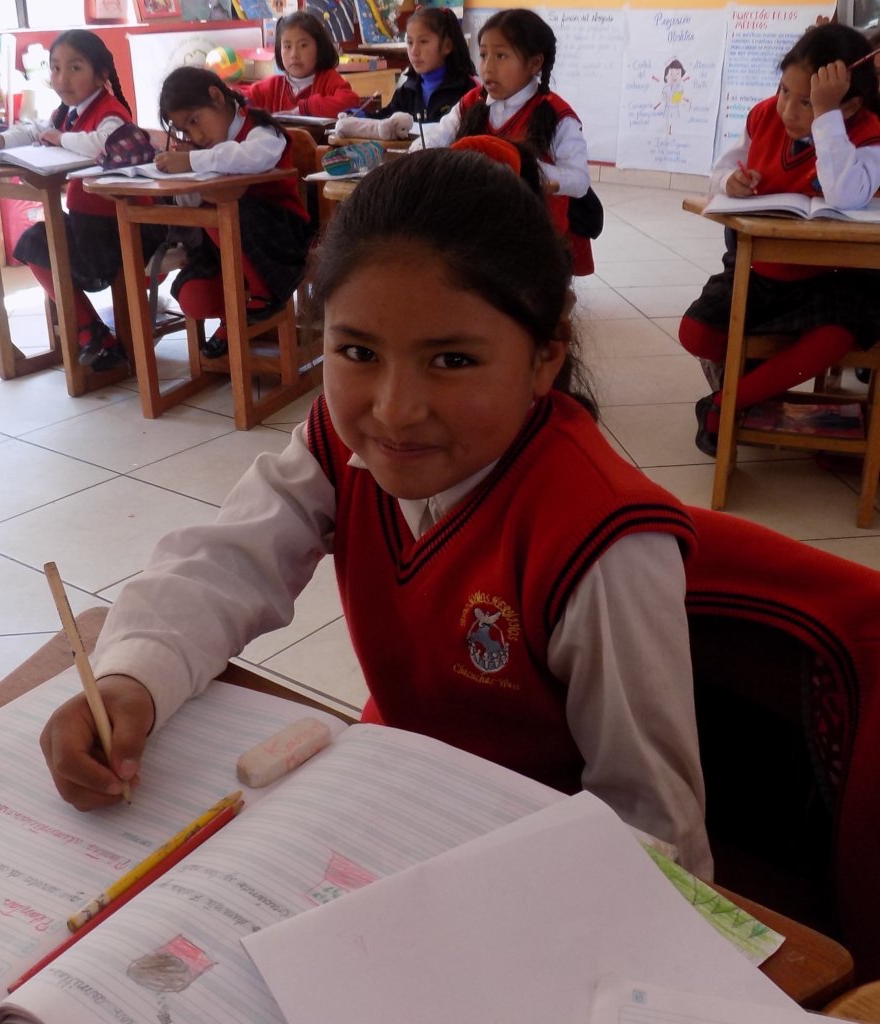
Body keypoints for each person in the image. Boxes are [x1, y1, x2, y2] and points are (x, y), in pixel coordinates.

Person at [38, 147, 712, 879]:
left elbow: (656, 834)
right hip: (391, 800)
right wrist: (132, 680)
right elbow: (223, 567)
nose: (394, 411)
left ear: (545, 357)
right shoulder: (336, 447)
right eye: (358, 351)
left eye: (451, 361)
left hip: (529, 869)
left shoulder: (602, 544)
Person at [679, 23, 880, 456]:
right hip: (758, 271)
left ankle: (725, 405)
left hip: (832, 279)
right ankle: (760, 386)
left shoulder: (867, 133)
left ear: (850, 106)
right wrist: (729, 182)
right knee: (695, 332)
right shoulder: (764, 116)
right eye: (784, 91)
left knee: (833, 338)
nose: (788, 110)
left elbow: (846, 194)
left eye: (806, 101)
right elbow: (719, 171)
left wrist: (826, 117)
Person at [0, 29, 164, 372]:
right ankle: (91, 332)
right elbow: (34, 130)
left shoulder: (111, 112)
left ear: (101, 75)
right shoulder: (66, 112)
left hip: (124, 226)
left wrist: (60, 138)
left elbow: (102, 143)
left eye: (75, 68)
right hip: (88, 225)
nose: (62, 78)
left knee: (47, 245)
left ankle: (92, 334)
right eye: (56, 68)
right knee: (35, 241)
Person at [410, 8, 595, 275]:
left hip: (535, 237)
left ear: (534, 63)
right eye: (483, 55)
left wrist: (525, 169)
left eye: (501, 56)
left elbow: (579, 181)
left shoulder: (557, 114)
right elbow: (438, 135)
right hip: (479, 231)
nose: (488, 67)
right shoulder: (471, 102)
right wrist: (421, 151)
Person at [154, 66, 313, 360]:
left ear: (216, 97)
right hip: (224, 250)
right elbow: (189, 204)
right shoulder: (198, 149)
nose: (196, 135)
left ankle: (264, 297)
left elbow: (252, 158)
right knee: (193, 296)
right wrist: (182, 170)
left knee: (224, 209)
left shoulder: (260, 129)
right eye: (185, 129)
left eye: (195, 120)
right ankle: (239, 313)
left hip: (278, 238)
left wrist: (193, 160)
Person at [244, 11, 361, 118]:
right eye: (287, 46)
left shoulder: (328, 79)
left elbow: (351, 102)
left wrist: (305, 108)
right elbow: (241, 97)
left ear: (319, 48)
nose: (294, 54)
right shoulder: (273, 86)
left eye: (303, 45)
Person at [372, 6, 477, 123]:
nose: (414, 51)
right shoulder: (407, 91)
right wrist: (359, 117)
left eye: (423, 41)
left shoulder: (468, 92)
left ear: (447, 46)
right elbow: (384, 120)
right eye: (410, 42)